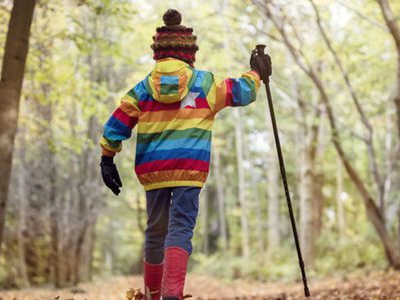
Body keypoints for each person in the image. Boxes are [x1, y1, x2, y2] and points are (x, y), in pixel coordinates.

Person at [99, 8, 271, 300]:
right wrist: (257, 72)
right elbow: (242, 92)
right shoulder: (205, 84)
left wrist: (107, 157)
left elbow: (118, 121)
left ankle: (153, 294)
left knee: (155, 231)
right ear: (189, 53)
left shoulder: (142, 89)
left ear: (158, 53)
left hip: (153, 171)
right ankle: (172, 295)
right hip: (190, 169)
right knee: (180, 228)